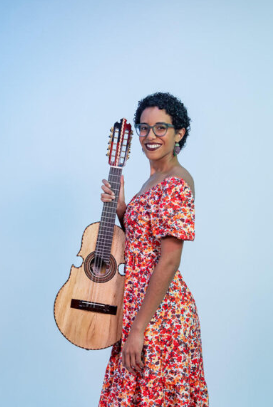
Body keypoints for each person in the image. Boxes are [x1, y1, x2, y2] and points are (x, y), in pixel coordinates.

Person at [98, 92, 209, 406]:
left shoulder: (175, 182)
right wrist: (121, 208)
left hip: (160, 316)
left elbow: (169, 260)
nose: (150, 136)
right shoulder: (154, 179)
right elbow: (142, 243)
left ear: (179, 133)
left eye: (161, 127)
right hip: (138, 308)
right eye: (144, 128)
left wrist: (138, 328)